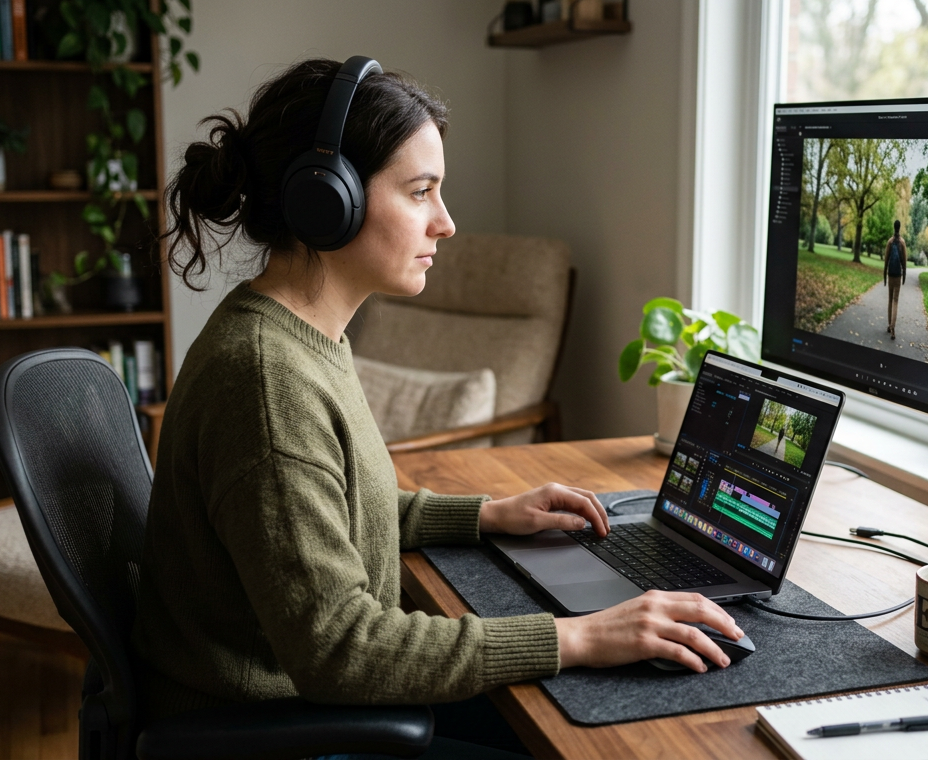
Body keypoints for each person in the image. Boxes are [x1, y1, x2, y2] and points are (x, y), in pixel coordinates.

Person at [135, 58, 744, 756]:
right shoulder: (269, 382)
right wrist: (579, 635)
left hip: (303, 699)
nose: (447, 224)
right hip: (277, 728)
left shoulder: (303, 335)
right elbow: (340, 650)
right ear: (327, 200)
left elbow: (341, 510)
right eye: (421, 191)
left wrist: (487, 515)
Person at [883, 219, 907, 340]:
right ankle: (893, 327)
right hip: (898, 276)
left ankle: (889, 325)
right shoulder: (902, 242)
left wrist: (884, 276)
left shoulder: (889, 242)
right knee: (895, 301)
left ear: (894, 227)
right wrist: (904, 275)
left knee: (890, 300)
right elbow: (904, 261)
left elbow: (886, 260)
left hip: (890, 274)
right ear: (900, 227)